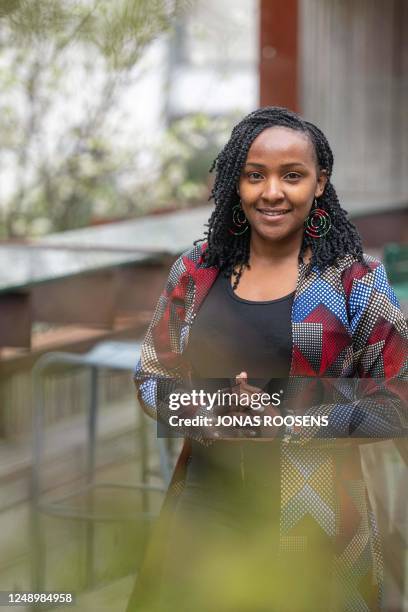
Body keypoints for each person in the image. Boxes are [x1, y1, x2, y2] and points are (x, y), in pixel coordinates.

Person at [127, 107, 408, 612]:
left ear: (320, 183)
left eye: (292, 176)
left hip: (317, 519)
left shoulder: (354, 282)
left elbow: (401, 396)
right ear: (237, 183)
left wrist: (289, 417)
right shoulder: (196, 273)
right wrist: (200, 409)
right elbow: (152, 373)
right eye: (255, 175)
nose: (272, 192)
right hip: (203, 510)